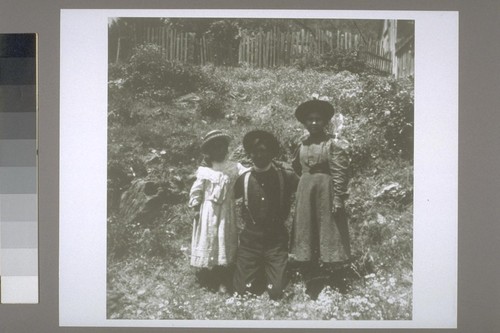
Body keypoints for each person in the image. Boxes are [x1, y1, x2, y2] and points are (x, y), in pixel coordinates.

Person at [290, 99, 351, 299]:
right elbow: (296, 169)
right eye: (310, 120)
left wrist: (338, 199)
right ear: (305, 123)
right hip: (306, 193)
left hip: (326, 192)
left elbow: (341, 173)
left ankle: (335, 280)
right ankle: (312, 280)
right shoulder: (301, 145)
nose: (314, 123)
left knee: (329, 232)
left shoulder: (332, 143)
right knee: (307, 232)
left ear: (324, 122)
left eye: (318, 119)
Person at [233, 130, 298, 300]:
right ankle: (257, 272)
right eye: (255, 151)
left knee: (277, 292)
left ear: (271, 153)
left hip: (275, 241)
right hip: (250, 241)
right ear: (250, 154)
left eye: (263, 150)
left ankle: (271, 273)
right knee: (242, 292)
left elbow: (303, 189)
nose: (259, 155)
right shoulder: (244, 178)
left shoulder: (285, 175)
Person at [188, 130, 247, 292]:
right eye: (214, 148)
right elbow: (197, 190)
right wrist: (195, 207)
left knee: (224, 238)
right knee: (210, 238)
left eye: (222, 146)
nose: (219, 150)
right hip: (208, 211)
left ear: (227, 148)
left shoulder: (234, 167)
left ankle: (223, 276)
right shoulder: (204, 171)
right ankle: (208, 276)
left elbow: (248, 175)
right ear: (209, 151)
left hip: (226, 212)